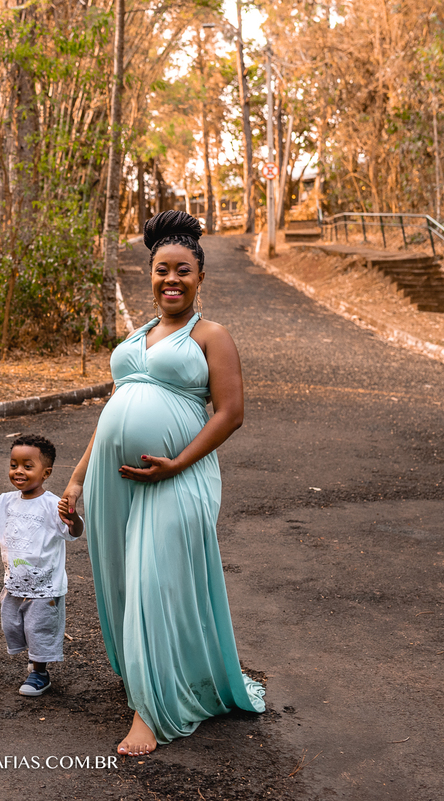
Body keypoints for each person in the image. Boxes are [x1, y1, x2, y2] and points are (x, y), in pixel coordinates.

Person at [59, 210, 265, 755]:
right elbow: (113, 412)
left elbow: (231, 413)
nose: (170, 279)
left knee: (158, 582)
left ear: (200, 279)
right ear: (149, 275)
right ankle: (152, 678)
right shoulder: (138, 336)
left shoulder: (212, 335)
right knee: (126, 583)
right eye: (160, 270)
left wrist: (177, 463)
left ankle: (148, 714)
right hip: (113, 481)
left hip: (180, 479)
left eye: (182, 271)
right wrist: (77, 481)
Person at [0, 434, 84, 696]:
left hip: (45, 589)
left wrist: (72, 516)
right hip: (15, 584)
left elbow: (75, 532)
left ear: (46, 473)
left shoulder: (52, 504)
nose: (18, 471)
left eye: (27, 466)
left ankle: (39, 673)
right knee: (14, 626)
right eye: (14, 464)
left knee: (38, 630)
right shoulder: (8, 501)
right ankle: (34, 660)